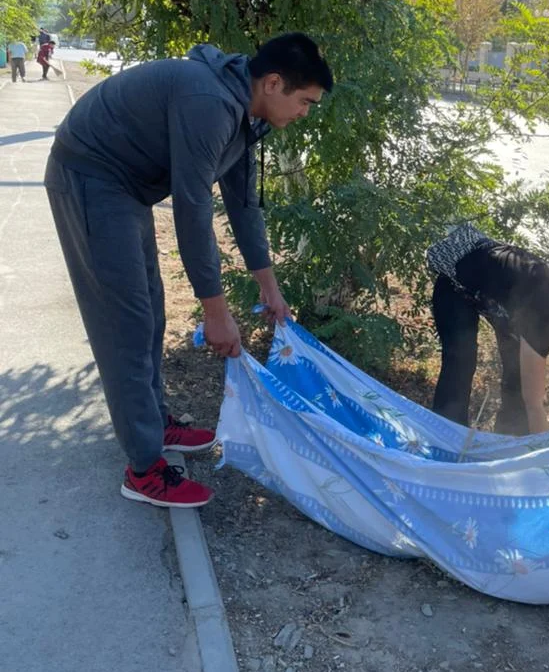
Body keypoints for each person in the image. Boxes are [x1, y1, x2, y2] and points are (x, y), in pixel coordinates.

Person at [44, 32, 333, 508]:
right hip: (91, 177)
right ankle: (143, 469)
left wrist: (270, 289)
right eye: (304, 101)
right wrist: (215, 313)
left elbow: (244, 206)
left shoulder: (246, 115)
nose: (304, 113)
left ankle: (154, 424)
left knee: (150, 312)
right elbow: (193, 208)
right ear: (273, 83)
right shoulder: (210, 103)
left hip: (125, 187)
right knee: (126, 324)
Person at [428, 223, 549, 435]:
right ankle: (447, 434)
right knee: (461, 361)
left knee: (517, 376)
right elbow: (534, 403)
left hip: (504, 302)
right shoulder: (545, 318)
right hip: (457, 282)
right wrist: (540, 450)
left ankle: (510, 438)